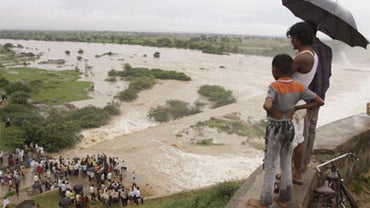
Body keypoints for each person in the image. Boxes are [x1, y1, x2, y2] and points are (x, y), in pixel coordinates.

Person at [247, 54, 324, 208]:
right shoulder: (298, 86)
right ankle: (283, 198)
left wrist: (273, 111)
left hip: (275, 128)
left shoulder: (274, 86)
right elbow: (320, 101)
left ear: (274, 70)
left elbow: (267, 105)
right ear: (290, 69)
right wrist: (297, 107)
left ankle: (265, 201)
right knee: (285, 162)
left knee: (270, 164)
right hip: (289, 127)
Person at [286, 21, 318, 185]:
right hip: (298, 100)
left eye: (292, 37)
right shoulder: (313, 55)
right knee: (298, 138)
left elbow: (282, 75)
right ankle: (294, 172)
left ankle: (294, 173)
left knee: (292, 141)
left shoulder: (302, 57)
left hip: (293, 103)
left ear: (298, 37)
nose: (291, 41)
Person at [303, 21, 333, 168]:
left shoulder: (307, 52)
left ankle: (298, 165)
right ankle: (306, 161)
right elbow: (329, 74)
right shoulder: (328, 49)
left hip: (306, 97)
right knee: (311, 130)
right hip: (320, 96)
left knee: (301, 132)